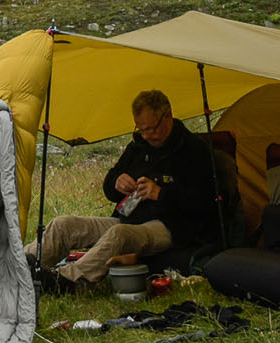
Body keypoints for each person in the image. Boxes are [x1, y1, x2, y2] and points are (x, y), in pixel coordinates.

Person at [30, 89, 220, 288]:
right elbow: (109, 188)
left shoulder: (193, 150)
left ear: (168, 116)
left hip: (170, 226)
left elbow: (205, 203)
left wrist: (161, 194)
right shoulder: (138, 147)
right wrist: (116, 182)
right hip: (128, 218)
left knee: (120, 234)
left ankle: (67, 281)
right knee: (63, 224)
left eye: (151, 129)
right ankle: (26, 263)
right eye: (141, 130)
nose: (146, 136)